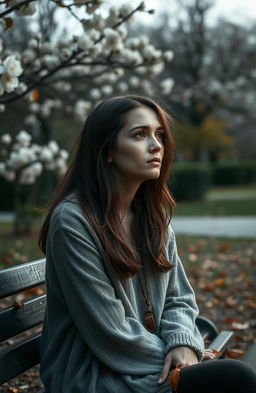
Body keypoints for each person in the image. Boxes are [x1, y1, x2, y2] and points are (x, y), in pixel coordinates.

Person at [39, 95, 256, 393]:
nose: (156, 145)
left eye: (159, 135)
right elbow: (110, 331)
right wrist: (181, 362)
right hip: (93, 375)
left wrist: (182, 342)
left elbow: (179, 298)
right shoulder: (73, 222)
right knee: (237, 377)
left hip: (147, 364)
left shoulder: (151, 216)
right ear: (107, 151)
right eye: (139, 135)